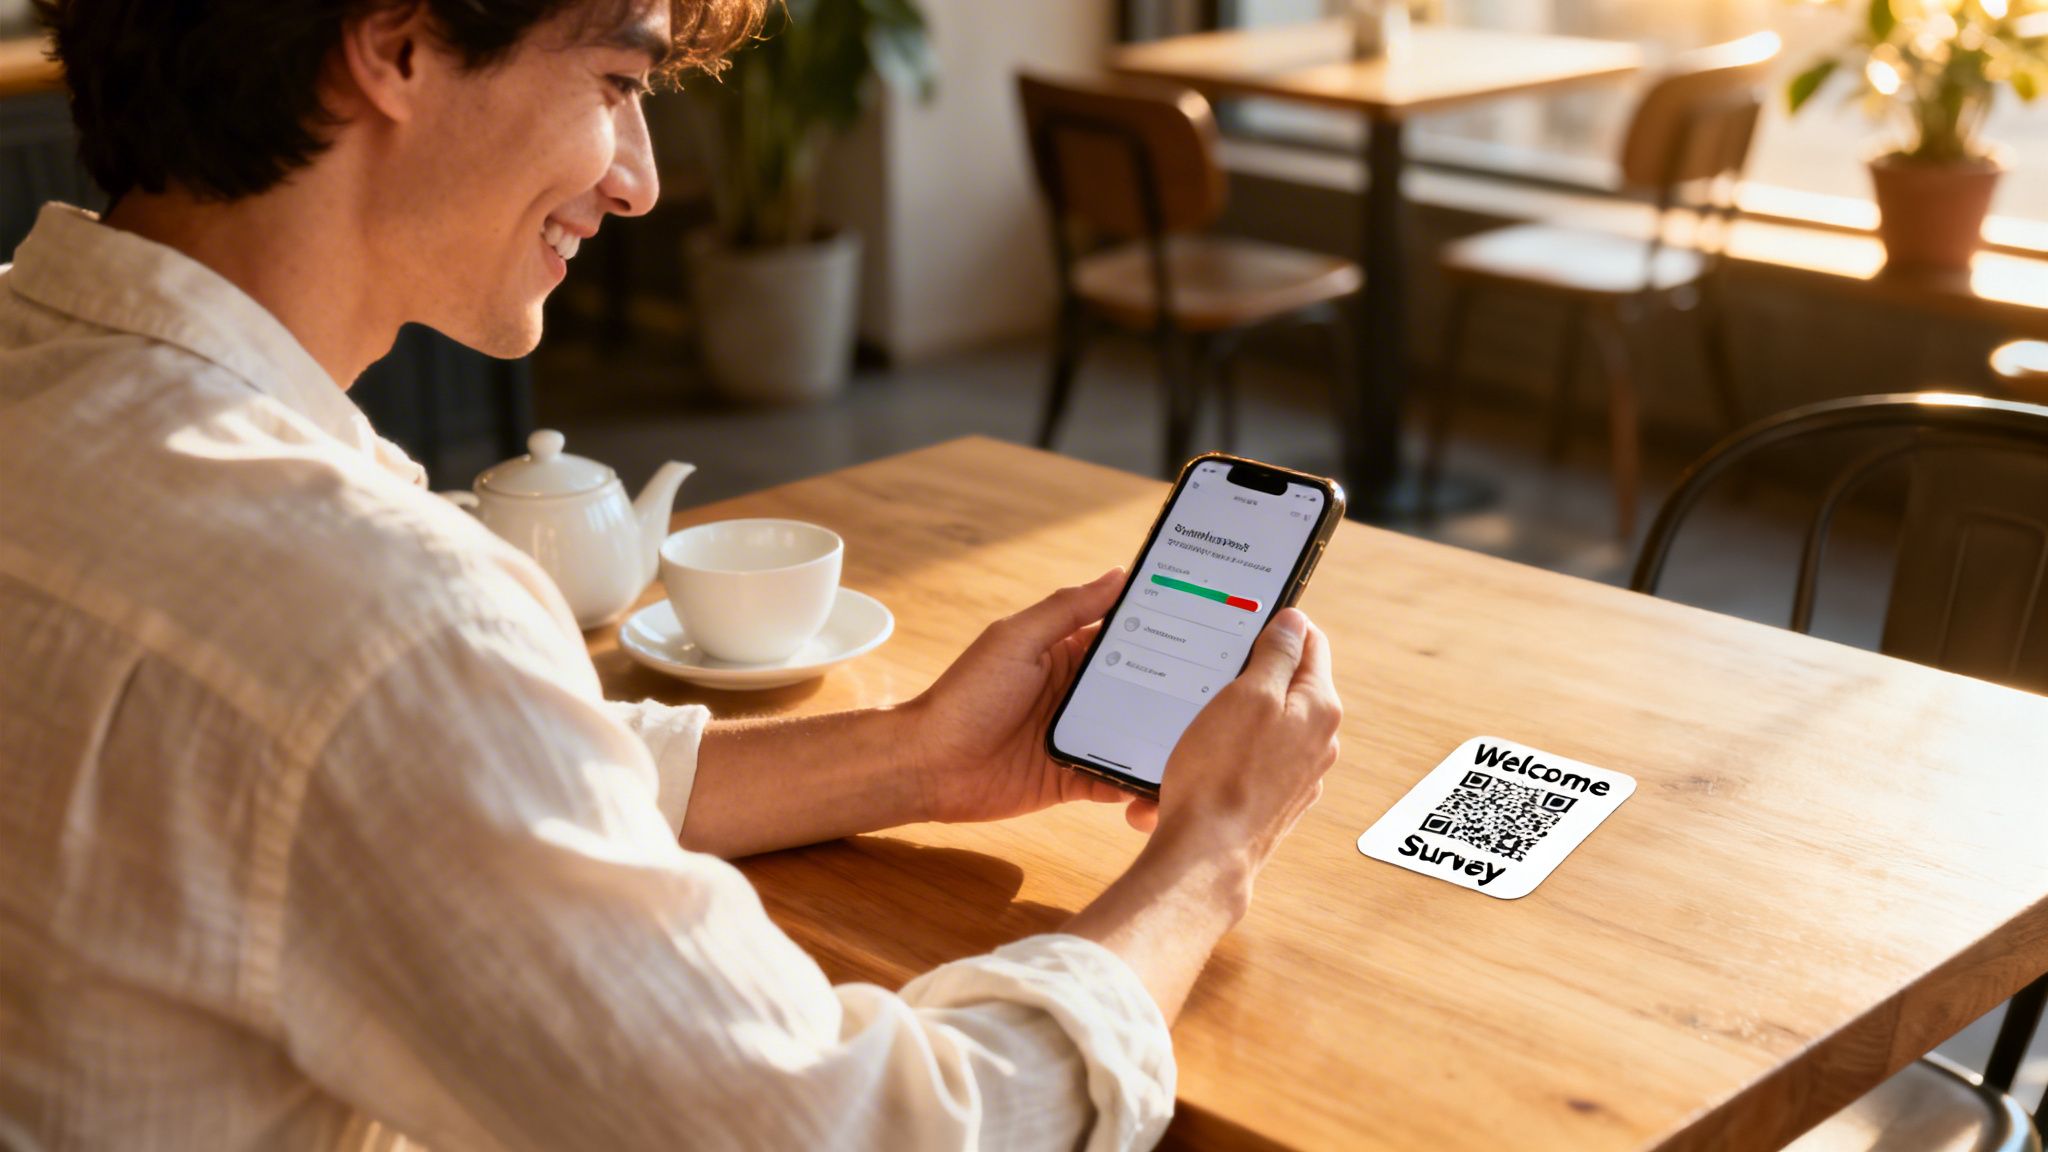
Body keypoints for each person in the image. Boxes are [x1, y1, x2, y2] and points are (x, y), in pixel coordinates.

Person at [0, 0, 1343, 1148]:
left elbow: (431, 771)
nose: (637, 176)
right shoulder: (371, 617)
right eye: (615, 84)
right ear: (397, 47)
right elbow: (865, 1132)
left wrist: (912, 756)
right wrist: (1208, 857)